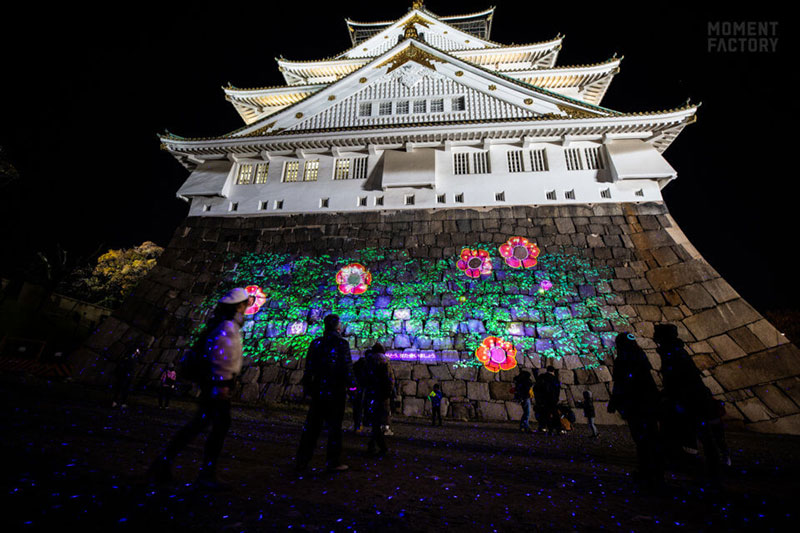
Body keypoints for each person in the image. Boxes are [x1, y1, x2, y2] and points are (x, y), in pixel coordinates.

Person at [148, 288, 252, 489]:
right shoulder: (228, 327)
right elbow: (222, 358)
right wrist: (222, 385)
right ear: (239, 305)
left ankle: (168, 465)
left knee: (201, 426)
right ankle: (204, 473)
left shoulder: (222, 324)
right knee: (212, 428)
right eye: (246, 303)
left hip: (213, 385)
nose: (246, 307)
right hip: (217, 387)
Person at [654, 323, 727, 480]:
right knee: (701, 436)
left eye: (657, 334)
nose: (654, 337)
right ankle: (709, 471)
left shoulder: (673, 354)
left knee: (698, 436)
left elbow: (679, 380)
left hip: (689, 402)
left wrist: (673, 398)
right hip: (691, 401)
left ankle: (707, 472)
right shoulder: (675, 352)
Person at [295, 314, 354, 472]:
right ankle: (333, 461)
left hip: (318, 390)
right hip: (336, 391)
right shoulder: (342, 344)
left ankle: (302, 460)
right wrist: (353, 387)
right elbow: (347, 367)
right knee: (335, 428)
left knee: (312, 427)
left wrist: (308, 387)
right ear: (337, 326)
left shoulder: (316, 343)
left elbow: (309, 368)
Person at [608, 332, 664, 490]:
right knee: (652, 437)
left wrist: (615, 401)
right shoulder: (641, 357)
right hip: (649, 403)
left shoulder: (623, 360)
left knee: (642, 439)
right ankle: (656, 473)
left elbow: (621, 382)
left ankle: (647, 472)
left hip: (635, 404)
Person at [363, 344, 393, 456]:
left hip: (372, 394)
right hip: (382, 395)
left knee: (375, 422)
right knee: (378, 422)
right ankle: (379, 446)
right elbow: (390, 379)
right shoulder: (386, 362)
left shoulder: (369, 362)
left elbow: (365, 378)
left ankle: (374, 446)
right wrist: (389, 393)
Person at [535, 366, 561, 434]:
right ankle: (558, 429)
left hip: (544, 399)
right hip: (553, 399)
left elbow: (537, 388)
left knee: (545, 414)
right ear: (553, 371)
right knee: (555, 414)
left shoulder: (542, 377)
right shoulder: (555, 379)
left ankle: (549, 429)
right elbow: (557, 390)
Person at [350, 350, 368, 433]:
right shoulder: (368, 366)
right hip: (365, 388)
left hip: (357, 388)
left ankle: (357, 425)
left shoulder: (356, 365)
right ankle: (364, 424)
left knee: (357, 408)